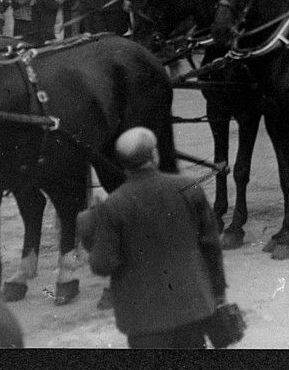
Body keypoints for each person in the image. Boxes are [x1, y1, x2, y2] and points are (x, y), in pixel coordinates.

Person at [87, 127, 227, 349]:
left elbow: (103, 264)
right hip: (191, 308)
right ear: (154, 155)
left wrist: (91, 233)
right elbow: (211, 247)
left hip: (144, 321)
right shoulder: (189, 188)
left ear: (122, 163)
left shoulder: (113, 206)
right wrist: (218, 294)